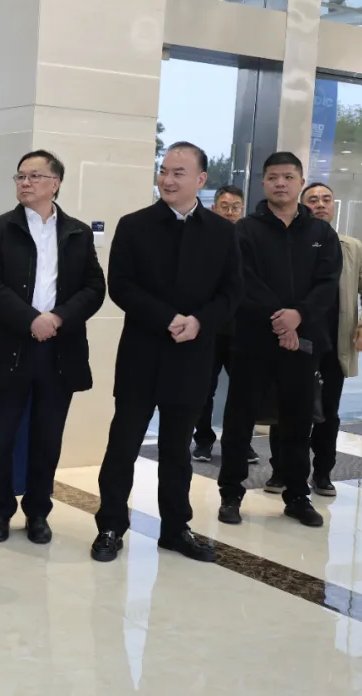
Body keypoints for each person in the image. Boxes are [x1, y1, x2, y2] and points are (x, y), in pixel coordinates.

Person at [92, 142, 242, 564]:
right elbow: (121, 285)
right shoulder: (134, 225)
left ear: (200, 180)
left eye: (179, 173)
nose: (168, 180)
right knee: (122, 446)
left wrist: (199, 322)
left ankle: (175, 529)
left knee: (177, 450)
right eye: (164, 171)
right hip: (141, 353)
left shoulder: (222, 232)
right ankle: (110, 526)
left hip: (192, 355)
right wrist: (167, 318)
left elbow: (232, 292)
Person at [0, 150, 106, 544]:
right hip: (10, 347)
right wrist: (31, 319)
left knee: (48, 438)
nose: (25, 183)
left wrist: (59, 318)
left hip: (59, 350)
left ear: (55, 183)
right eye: (20, 176)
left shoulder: (78, 232)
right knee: (1, 437)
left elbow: (94, 288)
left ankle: (38, 512)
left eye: (34, 176)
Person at [218, 153, 342, 528]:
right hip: (252, 341)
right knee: (239, 419)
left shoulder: (322, 234)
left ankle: (297, 495)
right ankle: (231, 494)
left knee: (297, 421)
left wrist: (298, 317)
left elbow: (327, 285)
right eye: (273, 177)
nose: (280, 183)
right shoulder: (245, 230)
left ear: (300, 182)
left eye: (288, 177)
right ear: (263, 183)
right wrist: (281, 320)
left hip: (303, 344)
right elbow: (243, 280)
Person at [264, 182, 362, 496]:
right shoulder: (290, 242)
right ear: (302, 205)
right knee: (285, 409)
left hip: (334, 344)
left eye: (326, 199)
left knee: (327, 412)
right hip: (294, 341)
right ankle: (281, 471)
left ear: (333, 206)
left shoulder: (351, 247)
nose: (320, 204)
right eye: (313, 199)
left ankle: (322, 472)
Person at [192, 185, 259, 464]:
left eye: (235, 207)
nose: (230, 212)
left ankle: (241, 443)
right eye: (225, 207)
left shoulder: (250, 238)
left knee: (244, 390)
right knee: (204, 388)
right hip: (210, 327)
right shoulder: (204, 237)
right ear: (214, 208)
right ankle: (203, 440)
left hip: (242, 327)